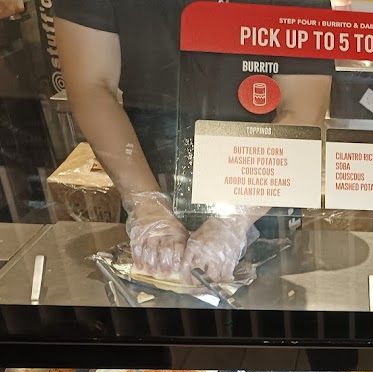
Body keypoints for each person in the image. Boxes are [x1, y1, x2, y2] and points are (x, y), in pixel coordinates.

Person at [55, 0, 333, 283]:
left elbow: (303, 110)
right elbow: (91, 88)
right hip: (146, 183)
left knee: (266, 317)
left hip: (261, 203)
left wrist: (234, 221)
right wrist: (148, 208)